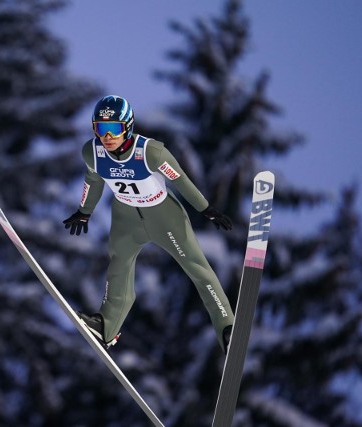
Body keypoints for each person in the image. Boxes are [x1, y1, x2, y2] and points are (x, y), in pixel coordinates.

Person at [63, 95, 234, 353]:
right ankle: (105, 328)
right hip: (125, 217)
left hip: (163, 216)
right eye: (100, 128)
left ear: (128, 127)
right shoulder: (93, 153)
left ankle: (226, 326)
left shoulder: (151, 152)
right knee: (118, 267)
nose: (107, 136)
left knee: (197, 267)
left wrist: (205, 209)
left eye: (114, 129)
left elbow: (181, 180)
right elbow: (93, 181)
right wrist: (84, 212)